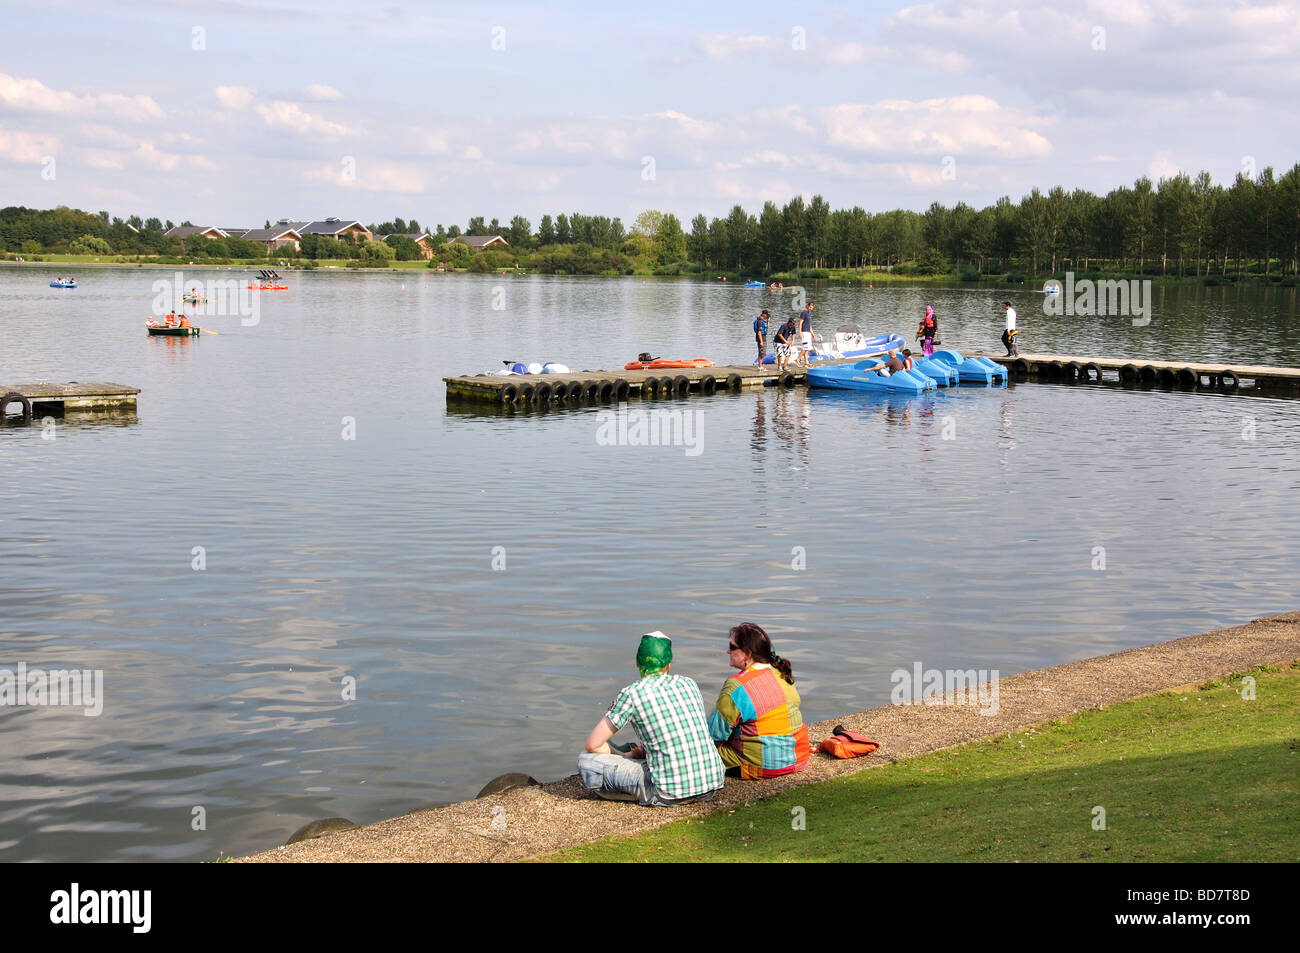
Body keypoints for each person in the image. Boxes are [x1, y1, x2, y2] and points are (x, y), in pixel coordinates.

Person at [577, 632, 726, 806]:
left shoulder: (632, 693)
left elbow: (593, 744)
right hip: (711, 785)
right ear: (669, 665)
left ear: (637, 663)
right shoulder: (689, 683)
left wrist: (624, 755)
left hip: (668, 792)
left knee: (586, 760)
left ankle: (641, 793)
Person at [709, 623, 810, 779]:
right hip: (798, 757)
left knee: (694, 752)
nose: (727, 651)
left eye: (732, 646)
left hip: (762, 765)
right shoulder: (780, 673)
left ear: (747, 653)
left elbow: (714, 735)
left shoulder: (736, 686)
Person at [797, 301, 815, 366]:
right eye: (810, 307)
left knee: (808, 348)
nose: (811, 308)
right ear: (807, 306)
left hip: (808, 332)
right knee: (805, 347)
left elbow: (809, 325)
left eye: (812, 308)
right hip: (804, 332)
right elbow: (800, 323)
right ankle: (798, 359)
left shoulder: (809, 314)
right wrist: (800, 332)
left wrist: (812, 333)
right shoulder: (804, 313)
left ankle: (806, 362)